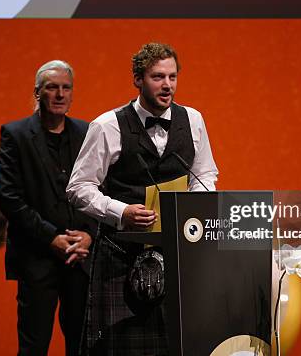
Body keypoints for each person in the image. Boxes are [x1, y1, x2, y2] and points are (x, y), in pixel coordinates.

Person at [67, 42, 218, 355]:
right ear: (138, 79)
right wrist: (121, 212)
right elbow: (79, 187)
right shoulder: (107, 125)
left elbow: (205, 176)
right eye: (157, 77)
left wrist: (192, 209)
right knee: (121, 347)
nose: (167, 86)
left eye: (172, 77)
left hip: (177, 254)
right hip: (120, 255)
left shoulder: (193, 120)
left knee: (172, 345)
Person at [0, 60, 95, 356]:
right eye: (52, 87)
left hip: (81, 259)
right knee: (33, 345)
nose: (60, 94)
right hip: (36, 257)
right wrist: (52, 237)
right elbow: (10, 198)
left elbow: (100, 190)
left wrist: (89, 235)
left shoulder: (87, 131)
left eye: (66, 88)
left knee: (82, 345)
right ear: (37, 92)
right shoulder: (15, 134)